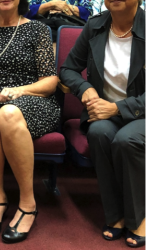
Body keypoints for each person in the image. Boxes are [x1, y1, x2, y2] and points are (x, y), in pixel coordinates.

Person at [0, 0, 60, 244]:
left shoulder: (38, 30)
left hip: (32, 101)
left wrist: (18, 91)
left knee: (8, 112)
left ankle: (28, 203)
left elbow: (50, 82)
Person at [60, 0, 146, 247]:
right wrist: (84, 87)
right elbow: (68, 69)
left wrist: (117, 108)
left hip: (140, 114)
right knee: (98, 132)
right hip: (104, 115)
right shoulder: (95, 26)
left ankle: (139, 215)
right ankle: (115, 214)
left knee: (127, 139)